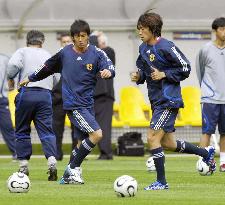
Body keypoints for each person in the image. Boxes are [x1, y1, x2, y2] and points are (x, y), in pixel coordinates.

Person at [19, 20, 115, 184]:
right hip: (74, 104)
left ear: (87, 36)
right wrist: (31, 78)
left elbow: (110, 66)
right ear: (72, 38)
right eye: (77, 37)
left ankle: (69, 175)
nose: (80, 40)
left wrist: (108, 71)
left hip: (88, 104)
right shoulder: (64, 53)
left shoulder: (97, 53)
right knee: (97, 134)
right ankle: (72, 169)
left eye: (83, 36)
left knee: (80, 142)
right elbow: (46, 67)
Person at [130, 11, 216, 190]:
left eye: (143, 29)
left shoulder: (167, 47)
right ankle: (205, 154)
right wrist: (138, 77)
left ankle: (161, 182)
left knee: (152, 137)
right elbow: (144, 72)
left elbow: (185, 67)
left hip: (168, 100)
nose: (140, 32)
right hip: (156, 101)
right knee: (168, 143)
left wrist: (164, 74)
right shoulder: (143, 48)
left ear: (153, 29)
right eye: (138, 29)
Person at [7, 30, 59, 181]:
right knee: (46, 131)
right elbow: (57, 76)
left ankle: (23, 165)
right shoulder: (48, 54)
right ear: (42, 42)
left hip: (27, 93)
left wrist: (11, 78)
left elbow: (13, 65)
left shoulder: (22, 51)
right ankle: (51, 161)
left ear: (27, 41)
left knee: (22, 129)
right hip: (45, 95)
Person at [196, 17, 225, 172]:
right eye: (222, 29)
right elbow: (199, 71)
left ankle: (223, 162)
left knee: (224, 132)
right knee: (207, 131)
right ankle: (203, 160)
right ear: (215, 31)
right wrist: (206, 90)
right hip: (210, 98)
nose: (224, 32)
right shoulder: (205, 49)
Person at [52, 32, 77, 161]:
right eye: (64, 42)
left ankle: (76, 154)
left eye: (68, 41)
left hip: (74, 97)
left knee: (76, 128)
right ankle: (57, 154)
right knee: (56, 128)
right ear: (60, 43)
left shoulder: (78, 56)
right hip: (58, 97)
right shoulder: (55, 57)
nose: (66, 43)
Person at [89, 32, 115, 160]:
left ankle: (106, 152)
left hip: (104, 96)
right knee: (97, 126)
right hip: (95, 95)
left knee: (103, 125)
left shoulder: (108, 52)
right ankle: (103, 151)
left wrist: (94, 37)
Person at [0, 53, 16, 159]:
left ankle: (17, 153)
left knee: (8, 128)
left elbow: (11, 76)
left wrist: (9, 88)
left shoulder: (4, 58)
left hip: (2, 99)